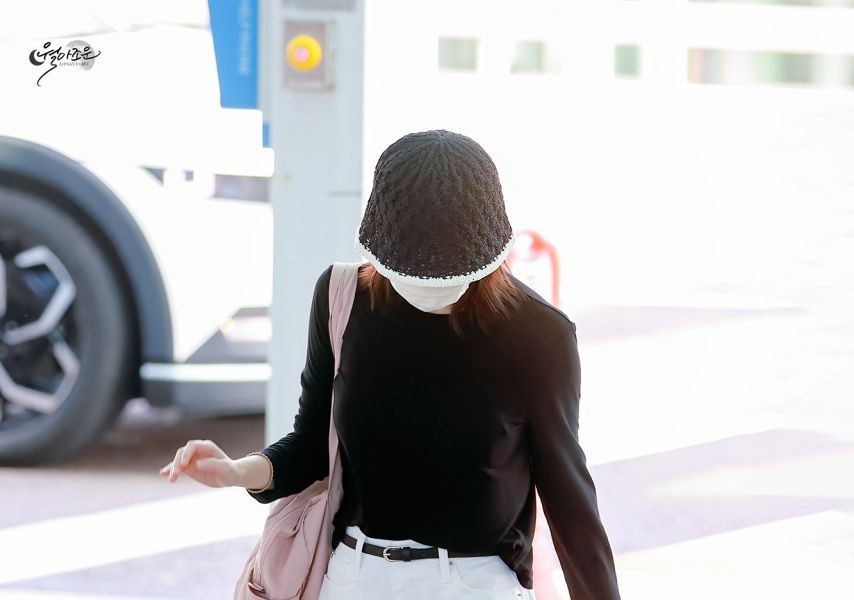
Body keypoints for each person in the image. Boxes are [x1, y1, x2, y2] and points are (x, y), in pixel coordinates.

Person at [159, 129, 622, 600]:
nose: (429, 287)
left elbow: (569, 498)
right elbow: (312, 447)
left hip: (475, 584)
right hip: (355, 577)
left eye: (447, 275)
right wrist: (236, 471)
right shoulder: (342, 299)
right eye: (413, 271)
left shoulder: (539, 333)